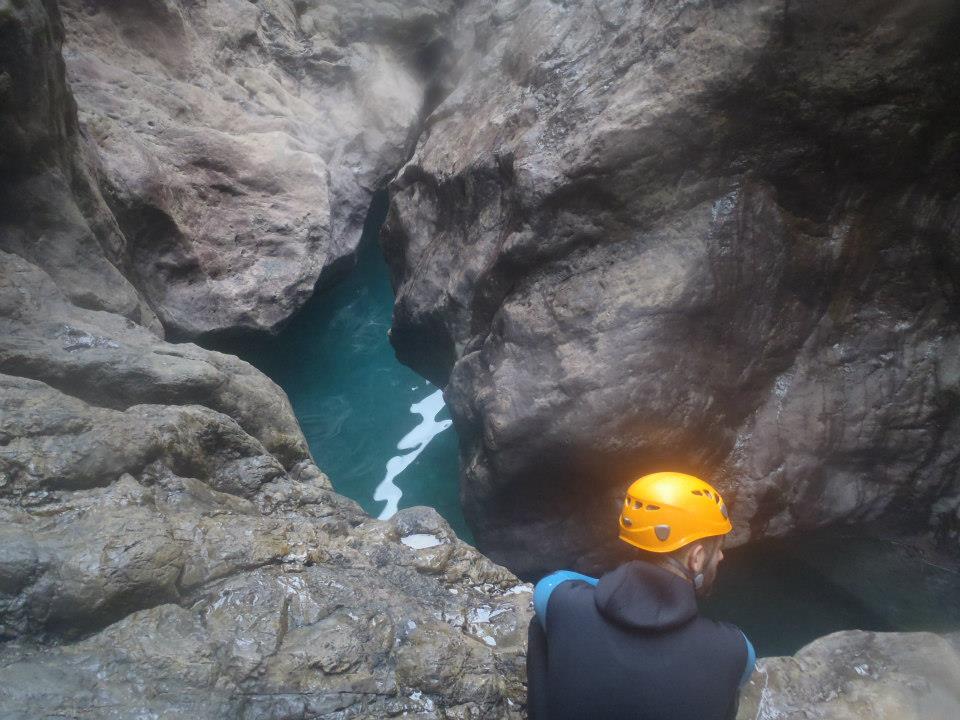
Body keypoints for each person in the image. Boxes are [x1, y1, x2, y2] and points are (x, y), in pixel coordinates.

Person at [526, 471, 756, 720]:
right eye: (718, 549)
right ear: (696, 557)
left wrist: (613, 585)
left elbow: (558, 581)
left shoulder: (560, 599)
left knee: (542, 624)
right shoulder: (736, 649)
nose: (721, 557)